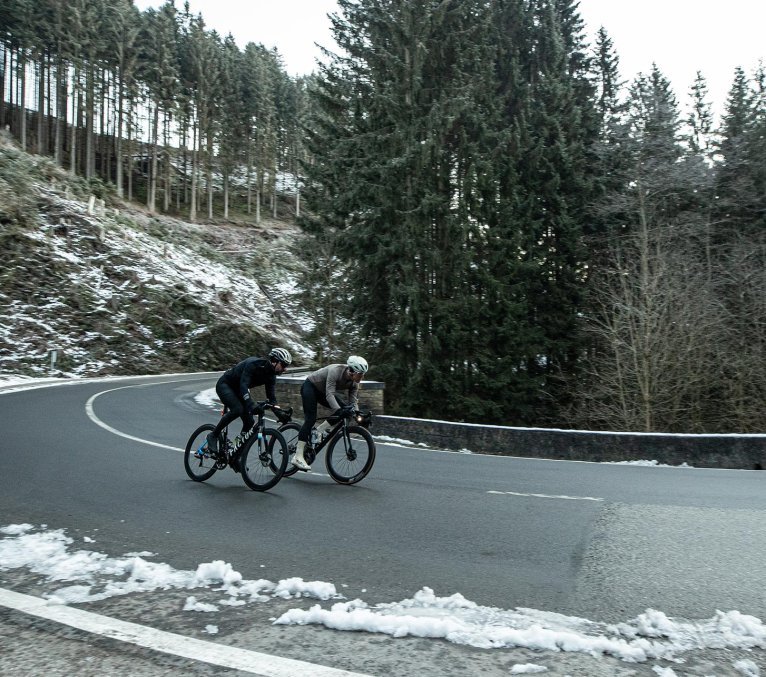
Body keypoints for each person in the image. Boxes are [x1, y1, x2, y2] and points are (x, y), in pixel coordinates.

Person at [206, 347, 292, 471]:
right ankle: (213, 436)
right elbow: (244, 385)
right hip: (226, 385)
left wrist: (279, 413)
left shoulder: (271, 376)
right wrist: (250, 403)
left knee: (250, 422)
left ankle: (235, 456)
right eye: (283, 365)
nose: (285, 369)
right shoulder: (254, 364)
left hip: (239, 391)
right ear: (274, 361)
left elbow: (272, 398)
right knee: (237, 409)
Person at [292, 355, 369, 471]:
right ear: (352, 371)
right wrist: (339, 411)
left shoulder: (354, 383)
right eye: (360, 374)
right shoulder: (335, 371)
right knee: (310, 419)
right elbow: (329, 394)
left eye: (364, 374)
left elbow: (353, 402)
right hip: (310, 386)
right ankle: (297, 457)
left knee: (346, 411)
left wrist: (358, 414)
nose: (362, 376)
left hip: (322, 392)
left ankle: (319, 430)